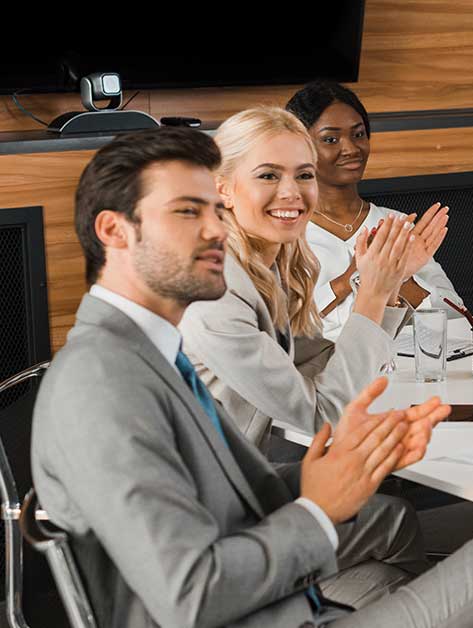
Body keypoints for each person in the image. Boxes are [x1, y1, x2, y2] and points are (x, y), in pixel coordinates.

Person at [30, 126, 473, 627]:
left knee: (394, 529)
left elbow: (223, 491)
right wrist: (318, 508)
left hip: (281, 602)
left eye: (216, 210)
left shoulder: (144, 353)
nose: (216, 230)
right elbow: (189, 597)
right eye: (188, 212)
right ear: (113, 231)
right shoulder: (101, 383)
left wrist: (356, 462)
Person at [178, 107, 448, 450]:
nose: (292, 192)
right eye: (268, 176)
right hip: (214, 491)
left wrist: (391, 282)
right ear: (224, 191)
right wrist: (372, 291)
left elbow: (323, 361)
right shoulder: (215, 291)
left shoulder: (267, 269)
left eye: (304, 175)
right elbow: (324, 415)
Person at [286, 80, 460, 341]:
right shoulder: (284, 231)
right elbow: (281, 328)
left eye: (358, 134)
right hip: (323, 372)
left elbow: (456, 316)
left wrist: (401, 278)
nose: (351, 149)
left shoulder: (396, 224)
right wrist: (351, 279)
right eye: (330, 139)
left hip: (402, 369)